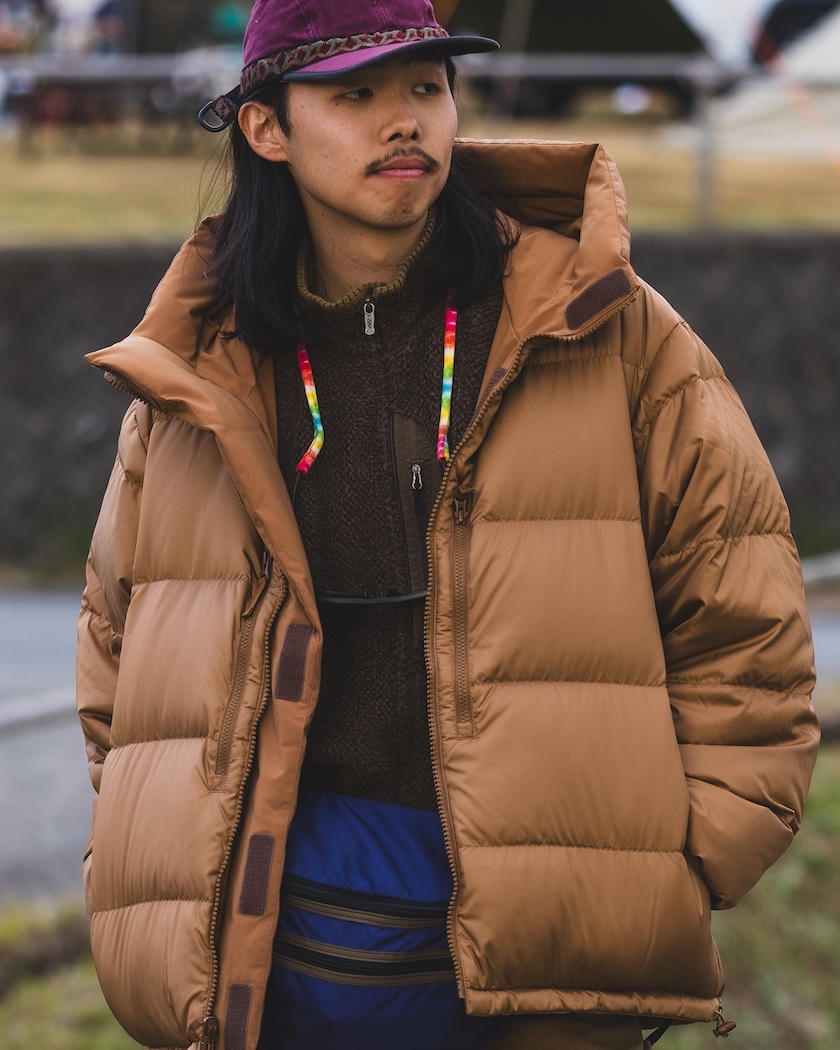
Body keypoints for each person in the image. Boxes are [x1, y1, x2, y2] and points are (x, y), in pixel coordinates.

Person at [75, 1, 820, 1048]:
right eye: (357, 94)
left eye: (427, 87)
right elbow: (117, 653)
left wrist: (671, 869)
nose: (406, 120)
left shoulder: (606, 326)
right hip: (276, 958)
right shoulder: (196, 371)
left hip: (555, 966)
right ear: (265, 128)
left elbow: (748, 626)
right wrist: (163, 853)